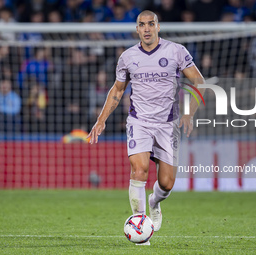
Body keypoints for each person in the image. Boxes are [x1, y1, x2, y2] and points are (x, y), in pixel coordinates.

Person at [87, 10, 205, 244]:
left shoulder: (176, 51)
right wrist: (101, 120)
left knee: (166, 183)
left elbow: (200, 81)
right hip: (139, 121)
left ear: (158, 27)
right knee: (139, 170)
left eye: (151, 24)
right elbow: (118, 90)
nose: (147, 29)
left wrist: (189, 114)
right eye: (142, 25)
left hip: (167, 124)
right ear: (137, 29)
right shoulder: (128, 57)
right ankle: (140, 224)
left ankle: (154, 202)